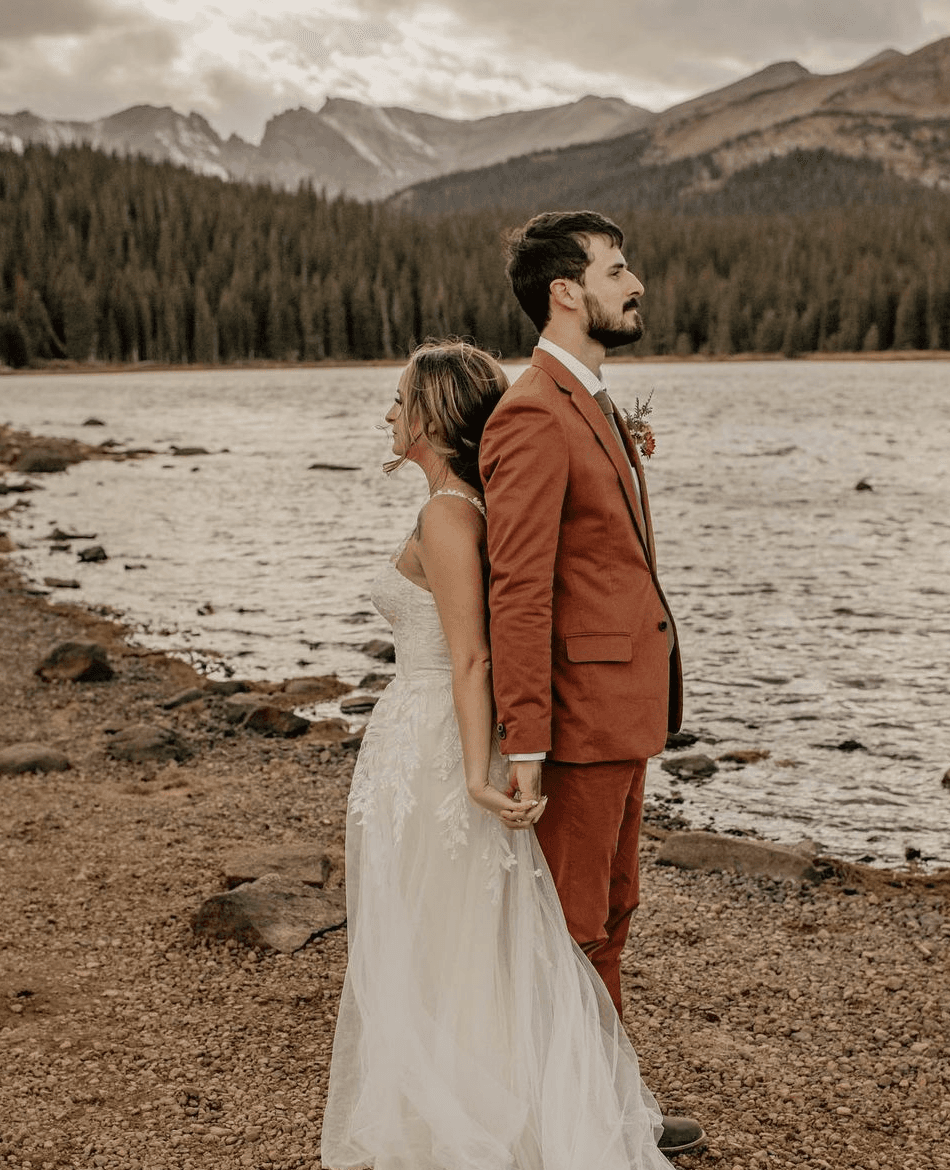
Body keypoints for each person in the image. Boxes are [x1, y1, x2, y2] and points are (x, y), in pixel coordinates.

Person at [320, 339, 673, 1170]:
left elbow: (472, 655)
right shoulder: (458, 505)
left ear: (433, 414)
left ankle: (486, 1109)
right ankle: (463, 1087)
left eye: (399, 397)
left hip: (442, 743)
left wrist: (478, 777)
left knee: (453, 931)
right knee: (447, 932)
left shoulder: (448, 513)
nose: (387, 412)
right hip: (422, 737)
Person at [479, 212, 703, 1156]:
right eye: (619, 270)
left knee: (612, 912)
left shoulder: (594, 400)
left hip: (623, 713)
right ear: (566, 292)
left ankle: (606, 1102)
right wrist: (524, 742)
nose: (637, 284)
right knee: (569, 925)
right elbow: (518, 590)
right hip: (574, 723)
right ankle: (559, 1124)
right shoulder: (533, 410)